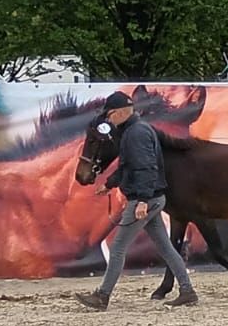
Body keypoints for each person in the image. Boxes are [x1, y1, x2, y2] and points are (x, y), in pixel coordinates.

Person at [75, 91, 198, 310]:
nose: (109, 120)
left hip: (145, 199)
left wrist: (142, 200)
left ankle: (102, 296)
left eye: (110, 115)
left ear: (121, 112)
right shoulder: (134, 130)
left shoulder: (136, 134)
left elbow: (145, 168)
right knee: (167, 248)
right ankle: (187, 291)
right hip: (154, 198)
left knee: (118, 247)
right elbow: (128, 166)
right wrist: (110, 183)